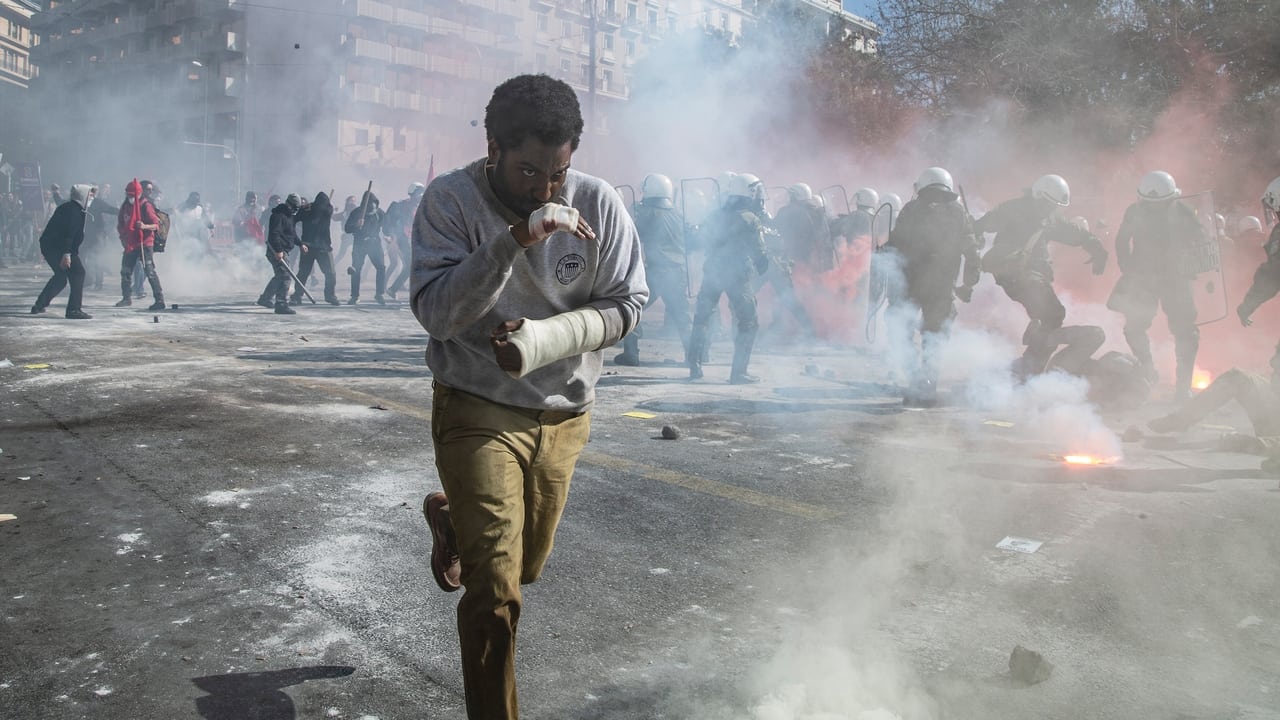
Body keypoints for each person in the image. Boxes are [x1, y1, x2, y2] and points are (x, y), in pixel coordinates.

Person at [410, 74, 646, 720]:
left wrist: (552, 337)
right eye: (527, 172)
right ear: (492, 147)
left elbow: (629, 304)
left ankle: (454, 518)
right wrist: (514, 241)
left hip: (564, 414)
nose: (544, 189)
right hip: (477, 407)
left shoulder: (598, 205)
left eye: (557, 173)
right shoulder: (450, 202)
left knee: (527, 564)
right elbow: (437, 312)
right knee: (494, 593)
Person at [977, 173, 1107, 380]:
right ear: (1038, 195)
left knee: (1052, 317)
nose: (1049, 208)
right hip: (1018, 275)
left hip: (1031, 276)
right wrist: (974, 235)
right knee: (1052, 314)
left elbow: (1075, 233)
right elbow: (985, 224)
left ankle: (1031, 363)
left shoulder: (1050, 217)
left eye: (1053, 205)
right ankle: (1030, 361)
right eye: (1047, 203)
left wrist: (1096, 247)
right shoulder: (1013, 209)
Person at [880, 167, 979, 406]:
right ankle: (927, 388)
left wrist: (882, 254)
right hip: (942, 288)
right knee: (935, 338)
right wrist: (967, 285)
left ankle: (914, 378)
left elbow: (896, 244)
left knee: (899, 328)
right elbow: (973, 255)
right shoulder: (960, 213)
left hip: (910, 285)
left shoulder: (912, 209)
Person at [1107, 170, 1206, 399]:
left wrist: (1127, 266)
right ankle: (1151, 372)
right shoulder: (1177, 210)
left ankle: (1180, 385)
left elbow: (1200, 243)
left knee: (1184, 331)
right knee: (1140, 327)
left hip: (1173, 279)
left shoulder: (1183, 212)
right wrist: (1128, 267)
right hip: (1147, 279)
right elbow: (1122, 240)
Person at [687, 172, 770, 383]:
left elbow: (700, 240)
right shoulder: (750, 219)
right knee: (749, 321)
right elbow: (759, 252)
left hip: (712, 272)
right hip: (737, 276)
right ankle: (738, 372)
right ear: (748, 192)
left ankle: (694, 366)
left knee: (702, 318)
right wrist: (762, 265)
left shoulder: (715, 215)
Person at [614, 173, 690, 365]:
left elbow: (632, 233)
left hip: (657, 272)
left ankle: (631, 354)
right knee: (682, 316)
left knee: (634, 307)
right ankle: (695, 357)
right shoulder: (678, 214)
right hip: (678, 272)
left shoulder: (648, 214)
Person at [31, 184, 94, 319]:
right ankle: (73, 310)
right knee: (78, 273)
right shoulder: (74, 211)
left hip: (52, 246)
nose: (91, 198)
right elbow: (69, 234)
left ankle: (39, 305)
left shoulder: (71, 207)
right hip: (58, 248)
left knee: (61, 277)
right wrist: (67, 254)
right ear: (83, 196)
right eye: (90, 195)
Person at [115, 178, 166, 310]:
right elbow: (121, 223)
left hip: (145, 242)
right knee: (125, 271)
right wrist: (122, 237)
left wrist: (144, 226)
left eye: (133, 195)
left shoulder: (146, 205)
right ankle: (126, 298)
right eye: (129, 195)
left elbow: (156, 225)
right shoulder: (125, 206)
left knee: (149, 271)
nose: (131, 198)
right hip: (131, 243)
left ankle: (159, 299)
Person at [256, 193, 302, 314]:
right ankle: (281, 304)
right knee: (285, 276)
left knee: (280, 276)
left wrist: (300, 243)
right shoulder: (278, 215)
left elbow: (291, 234)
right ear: (290, 205)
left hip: (284, 250)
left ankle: (265, 298)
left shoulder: (289, 216)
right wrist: (278, 250)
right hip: (276, 250)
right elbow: (274, 234)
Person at [292, 191, 340, 305]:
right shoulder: (307, 209)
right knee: (303, 272)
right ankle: (297, 295)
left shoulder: (327, 210)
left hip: (323, 246)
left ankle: (330, 296)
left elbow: (327, 210)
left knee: (330, 273)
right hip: (307, 245)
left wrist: (306, 209)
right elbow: (293, 220)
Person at [343, 190, 387, 305]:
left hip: (375, 243)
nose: (373, 208)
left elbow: (386, 226)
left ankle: (379, 294)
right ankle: (354, 296)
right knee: (356, 269)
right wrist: (356, 225)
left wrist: (388, 236)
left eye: (374, 205)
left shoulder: (379, 213)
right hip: (360, 243)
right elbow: (347, 228)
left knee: (381, 267)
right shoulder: (357, 213)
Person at [385, 182, 424, 299]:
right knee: (411, 265)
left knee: (412, 266)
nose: (420, 199)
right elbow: (388, 220)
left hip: (412, 239)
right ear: (414, 195)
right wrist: (390, 235)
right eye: (419, 196)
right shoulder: (400, 205)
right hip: (401, 238)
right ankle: (393, 289)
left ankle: (395, 289)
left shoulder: (418, 208)